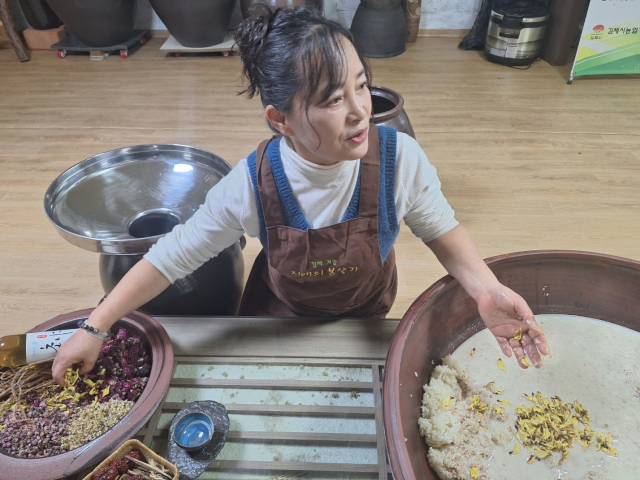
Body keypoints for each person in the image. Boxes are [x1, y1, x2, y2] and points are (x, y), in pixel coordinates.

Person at [51, 7, 548, 385]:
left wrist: (485, 289)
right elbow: (168, 258)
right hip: (279, 323)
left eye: (361, 86)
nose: (359, 111)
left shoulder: (400, 160)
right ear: (280, 119)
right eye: (333, 99)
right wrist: (94, 328)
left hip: (365, 315)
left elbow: (441, 228)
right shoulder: (251, 184)